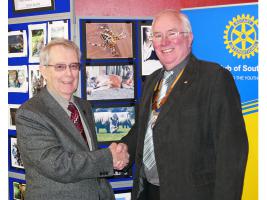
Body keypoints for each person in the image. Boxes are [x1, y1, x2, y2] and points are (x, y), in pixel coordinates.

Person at [122, 9, 248, 200]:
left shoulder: (214, 79)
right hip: (148, 191)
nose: (164, 42)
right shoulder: (152, 80)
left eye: (172, 33)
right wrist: (119, 150)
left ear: (189, 38)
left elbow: (231, 153)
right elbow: (144, 130)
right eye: (158, 35)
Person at [16, 39, 129, 200]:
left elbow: (88, 155)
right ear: (43, 71)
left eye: (74, 66)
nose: (69, 74)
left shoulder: (83, 106)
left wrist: (117, 156)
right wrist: (109, 157)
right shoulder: (30, 113)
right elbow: (57, 165)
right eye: (60, 67)